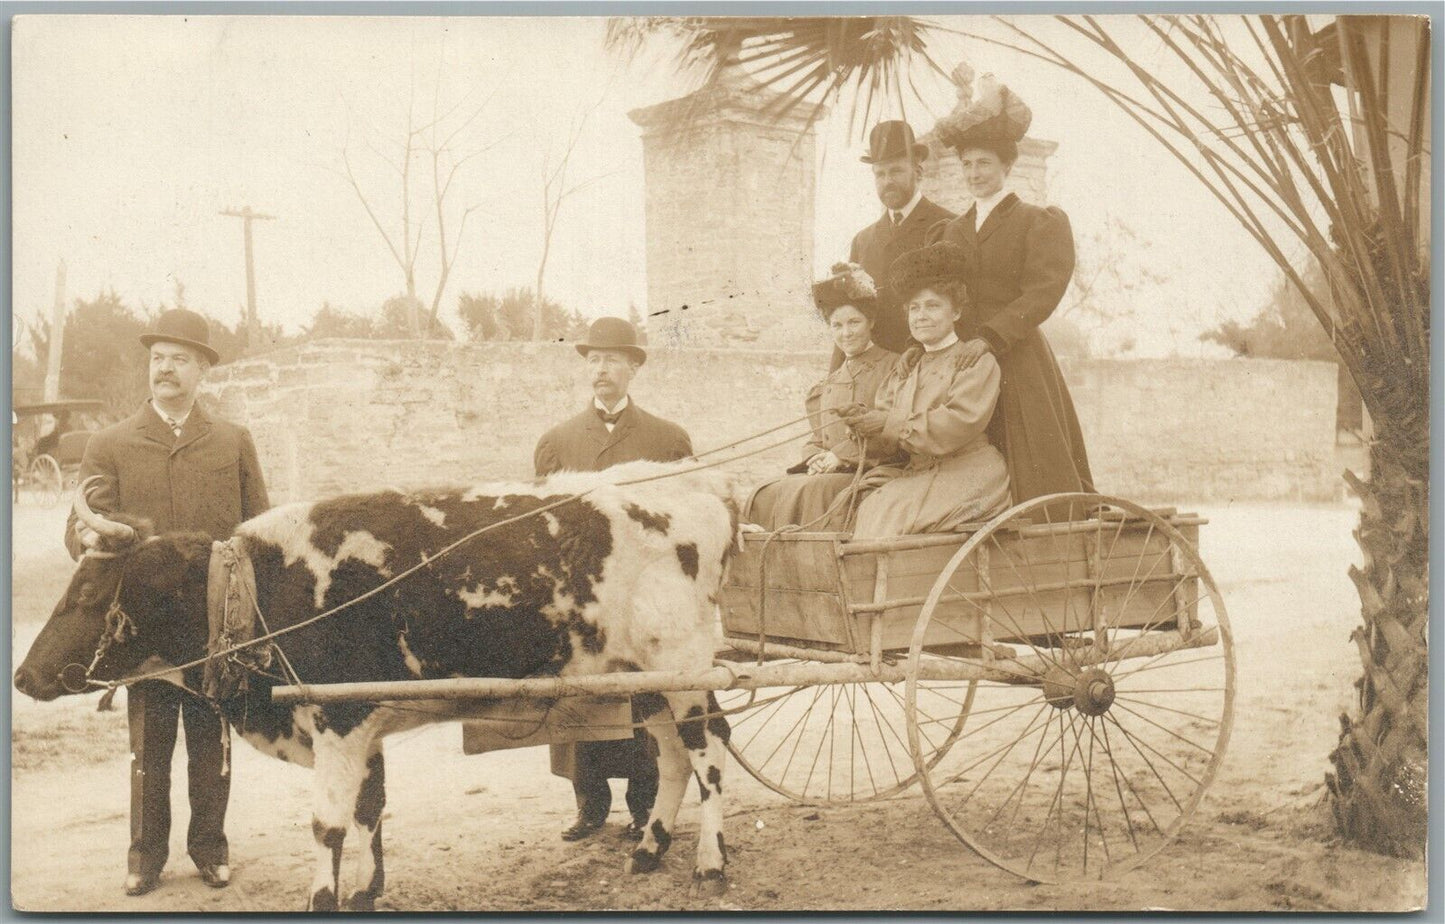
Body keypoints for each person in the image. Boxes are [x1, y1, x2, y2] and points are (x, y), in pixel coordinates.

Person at [65, 308, 270, 897]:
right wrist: (86, 535)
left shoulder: (232, 441)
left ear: (203, 369)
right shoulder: (110, 443)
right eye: (158, 358)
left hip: (215, 625)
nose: (166, 369)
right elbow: (78, 525)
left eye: (180, 359)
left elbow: (260, 527)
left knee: (212, 743)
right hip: (144, 629)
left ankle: (210, 848)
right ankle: (144, 857)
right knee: (149, 747)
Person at [530, 316, 692, 842]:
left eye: (613, 360)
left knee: (649, 695)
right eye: (593, 361)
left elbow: (686, 516)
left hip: (646, 589)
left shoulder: (667, 439)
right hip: (583, 591)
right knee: (583, 694)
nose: (602, 370)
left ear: (633, 368)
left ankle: (646, 803)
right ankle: (589, 803)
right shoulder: (556, 442)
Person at [924, 78, 1094, 507]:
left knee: (1032, 462)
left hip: (1016, 357)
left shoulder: (1037, 221)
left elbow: (1043, 291)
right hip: (961, 361)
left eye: (984, 163)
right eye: (966, 164)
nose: (974, 174)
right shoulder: (950, 231)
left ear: (1006, 167)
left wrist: (991, 336)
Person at [840, 242, 1011, 539]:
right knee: (851, 501)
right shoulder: (906, 368)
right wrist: (863, 426)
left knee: (886, 511)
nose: (921, 316)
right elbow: (887, 430)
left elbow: (958, 424)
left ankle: (883, 585)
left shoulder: (973, 361)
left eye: (933, 306)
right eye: (914, 308)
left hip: (969, 473)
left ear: (956, 311)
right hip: (920, 472)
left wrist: (886, 423)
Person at [747, 264, 898, 530]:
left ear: (871, 322)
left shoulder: (893, 367)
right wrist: (815, 457)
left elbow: (893, 431)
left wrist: (840, 457)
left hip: (875, 470)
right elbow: (818, 438)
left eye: (854, 322)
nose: (846, 333)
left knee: (815, 490)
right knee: (767, 492)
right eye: (837, 325)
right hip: (833, 471)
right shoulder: (827, 384)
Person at [841, 120, 957, 365]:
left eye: (896, 171)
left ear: (918, 172)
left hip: (929, 367)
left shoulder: (949, 226)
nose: (887, 181)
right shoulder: (863, 240)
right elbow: (849, 314)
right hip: (874, 370)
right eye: (880, 174)